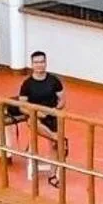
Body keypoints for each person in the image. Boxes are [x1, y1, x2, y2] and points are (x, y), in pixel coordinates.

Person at [16, 51, 63, 186]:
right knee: (33, 122)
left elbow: (62, 100)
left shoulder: (54, 80)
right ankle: (56, 137)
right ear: (32, 64)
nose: (39, 65)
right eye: (36, 62)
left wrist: (55, 109)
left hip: (52, 115)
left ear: (45, 63)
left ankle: (52, 175)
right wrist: (36, 113)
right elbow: (22, 106)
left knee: (54, 146)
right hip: (35, 116)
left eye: (42, 62)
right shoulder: (27, 84)